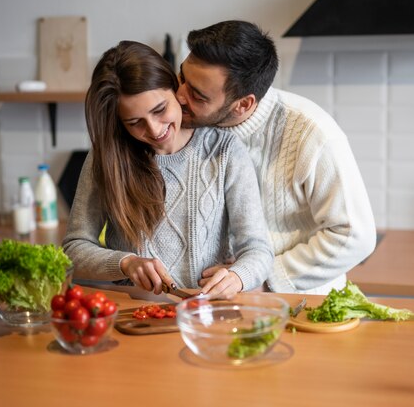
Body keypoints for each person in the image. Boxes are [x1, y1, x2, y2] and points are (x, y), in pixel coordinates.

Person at [176, 20, 376, 295]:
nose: (179, 96)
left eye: (197, 95)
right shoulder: (185, 123)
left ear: (243, 104)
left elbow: (354, 237)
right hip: (211, 302)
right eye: (181, 77)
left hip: (296, 305)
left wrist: (261, 277)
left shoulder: (311, 132)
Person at [62, 40, 273, 299]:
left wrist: (238, 276)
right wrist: (125, 263)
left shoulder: (225, 151)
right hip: (135, 313)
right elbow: (74, 248)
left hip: (204, 312)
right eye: (134, 122)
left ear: (176, 89)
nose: (153, 129)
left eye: (160, 109)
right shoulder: (106, 157)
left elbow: (258, 250)